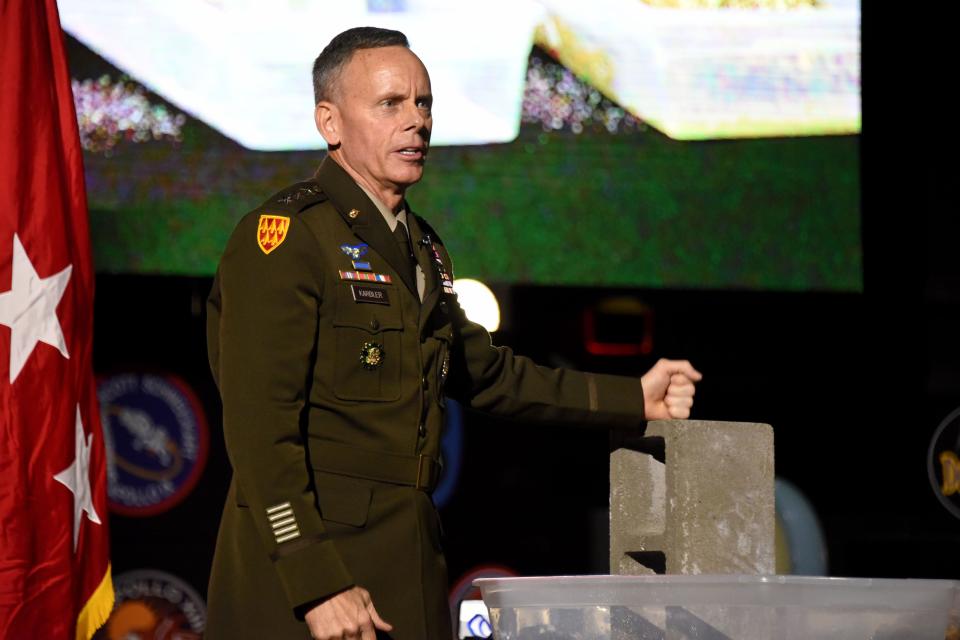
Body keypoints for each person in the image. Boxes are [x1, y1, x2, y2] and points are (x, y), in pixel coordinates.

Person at [204, 26, 701, 640]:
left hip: (408, 553)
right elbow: (260, 434)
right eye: (391, 104)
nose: (416, 121)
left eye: (424, 103)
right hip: (308, 574)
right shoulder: (285, 238)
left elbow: (488, 374)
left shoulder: (419, 247)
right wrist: (316, 583)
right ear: (330, 122)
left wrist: (634, 398)